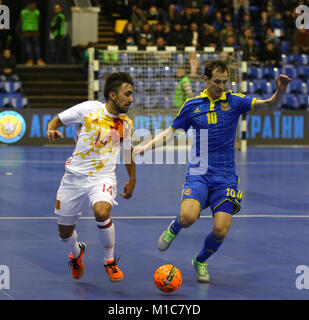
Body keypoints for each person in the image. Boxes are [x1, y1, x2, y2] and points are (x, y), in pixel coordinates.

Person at [133, 60, 291, 283]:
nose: (222, 86)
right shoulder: (192, 105)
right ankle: (174, 227)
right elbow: (170, 132)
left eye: (225, 81)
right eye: (217, 82)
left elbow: (268, 106)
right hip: (199, 173)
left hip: (226, 178)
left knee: (220, 230)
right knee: (188, 218)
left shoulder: (235, 101)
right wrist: (146, 147)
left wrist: (280, 91)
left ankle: (200, 260)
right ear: (206, 80)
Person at [46, 72, 136, 282]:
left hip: (103, 177)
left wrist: (132, 179)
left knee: (101, 211)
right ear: (112, 95)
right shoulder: (89, 109)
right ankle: (77, 253)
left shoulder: (126, 124)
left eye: (132, 94)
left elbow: (128, 152)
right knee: (65, 233)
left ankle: (109, 261)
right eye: (127, 94)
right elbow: (57, 120)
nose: (131, 99)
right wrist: (52, 129)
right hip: (74, 177)